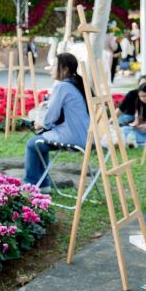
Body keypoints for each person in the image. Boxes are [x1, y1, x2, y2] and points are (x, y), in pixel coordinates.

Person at [24, 53, 90, 191]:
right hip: (84, 136)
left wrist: (41, 124)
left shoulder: (62, 86)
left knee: (33, 143)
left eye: (54, 66)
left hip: (72, 136)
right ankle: (43, 184)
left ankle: (31, 186)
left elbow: (50, 117)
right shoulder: (75, 84)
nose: (51, 69)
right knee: (40, 143)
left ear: (65, 69)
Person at [121, 83, 146, 147]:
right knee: (124, 129)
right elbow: (137, 120)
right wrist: (136, 125)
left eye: (145, 96)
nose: (143, 98)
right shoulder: (140, 104)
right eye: (141, 96)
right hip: (142, 130)